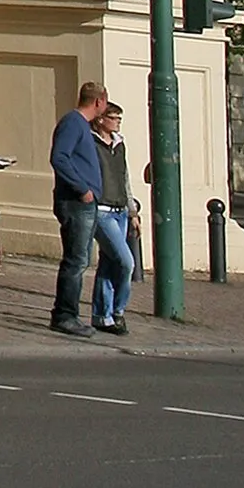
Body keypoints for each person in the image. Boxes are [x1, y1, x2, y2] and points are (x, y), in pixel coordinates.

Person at [50, 80, 109, 335]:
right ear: (98, 102)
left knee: (80, 259)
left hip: (85, 202)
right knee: (76, 260)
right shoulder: (73, 123)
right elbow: (59, 157)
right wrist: (82, 188)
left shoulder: (80, 125)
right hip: (76, 203)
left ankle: (67, 313)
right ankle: (65, 315)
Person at [92, 101, 136, 334]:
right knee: (126, 262)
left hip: (121, 210)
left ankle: (102, 315)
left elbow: (124, 177)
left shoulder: (120, 145)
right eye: (114, 117)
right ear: (101, 119)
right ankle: (118, 311)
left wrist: (132, 210)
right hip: (102, 210)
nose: (118, 122)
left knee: (109, 264)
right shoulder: (92, 142)